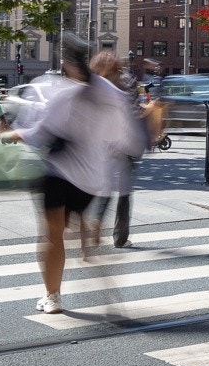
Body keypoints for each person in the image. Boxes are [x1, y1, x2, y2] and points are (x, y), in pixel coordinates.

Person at [8, 35, 134, 315]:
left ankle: (53, 297)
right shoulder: (115, 96)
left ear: (68, 64)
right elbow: (122, 140)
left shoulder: (63, 93)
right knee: (70, 225)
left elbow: (39, 135)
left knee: (52, 236)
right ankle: (86, 246)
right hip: (91, 181)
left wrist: (10, 135)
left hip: (59, 172)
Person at [89, 51, 149, 249]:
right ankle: (120, 236)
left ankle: (96, 221)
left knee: (105, 186)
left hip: (103, 141)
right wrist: (149, 110)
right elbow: (134, 111)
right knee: (124, 190)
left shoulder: (95, 83)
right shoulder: (127, 80)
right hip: (125, 140)